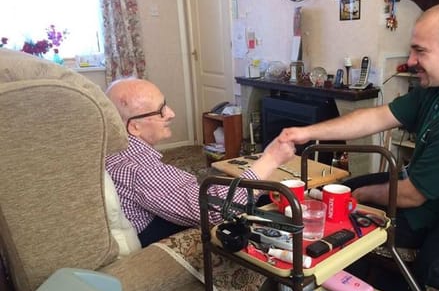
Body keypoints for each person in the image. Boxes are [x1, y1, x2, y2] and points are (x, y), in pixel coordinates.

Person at [279, 0, 439, 291]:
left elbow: (410, 196)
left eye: (420, 50)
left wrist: (360, 195)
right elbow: (377, 117)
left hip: (437, 224)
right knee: (341, 191)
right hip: (422, 192)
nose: (411, 60)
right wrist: (305, 132)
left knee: (337, 215)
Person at [105, 78, 296, 247]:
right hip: (171, 239)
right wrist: (271, 159)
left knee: (260, 192)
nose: (171, 113)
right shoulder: (139, 170)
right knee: (265, 200)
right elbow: (213, 208)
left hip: (169, 213)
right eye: (161, 111)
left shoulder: (113, 151)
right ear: (135, 126)